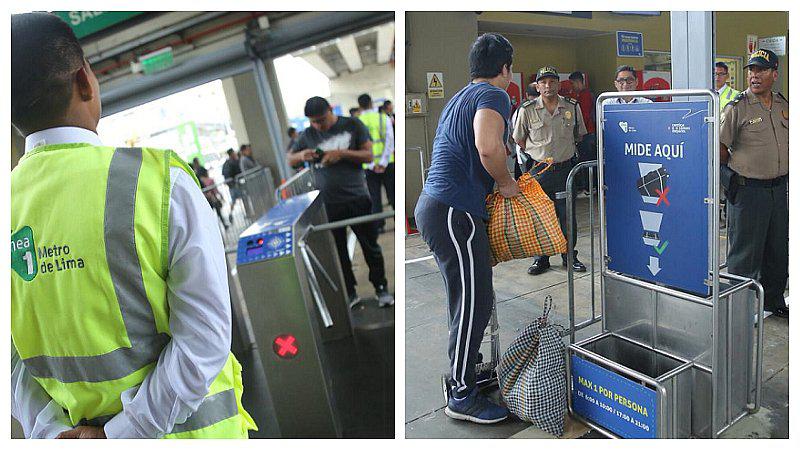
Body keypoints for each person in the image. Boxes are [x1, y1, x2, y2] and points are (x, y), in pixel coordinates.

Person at [10, 12, 256, 438]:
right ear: (84, 81)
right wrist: (119, 434)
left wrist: (49, 433)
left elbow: (12, 360)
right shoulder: (160, 182)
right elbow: (205, 338)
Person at [414, 33, 518, 425]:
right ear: (505, 68)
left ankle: (466, 371)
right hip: (454, 212)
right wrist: (506, 182)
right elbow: (488, 146)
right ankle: (462, 394)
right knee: (475, 302)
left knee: (467, 298)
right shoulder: (494, 95)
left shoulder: (459, 97)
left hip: (439, 207)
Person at [288, 96, 394, 308]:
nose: (318, 126)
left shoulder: (352, 124)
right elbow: (290, 158)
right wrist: (302, 155)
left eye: (321, 120)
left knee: (370, 246)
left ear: (330, 110)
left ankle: (381, 287)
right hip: (327, 204)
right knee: (338, 252)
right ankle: (350, 292)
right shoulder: (308, 135)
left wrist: (342, 154)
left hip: (356, 198)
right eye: (313, 122)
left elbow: (368, 155)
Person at [719, 49, 788, 318]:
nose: (754, 76)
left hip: (778, 190)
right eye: (752, 70)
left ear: (774, 74)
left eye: (761, 70)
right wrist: (731, 180)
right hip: (748, 192)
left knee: (777, 250)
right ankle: (740, 311)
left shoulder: (783, 104)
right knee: (745, 256)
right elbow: (720, 148)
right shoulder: (737, 107)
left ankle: (773, 301)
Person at [514, 66, 588, 275]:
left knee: (567, 215)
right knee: (540, 216)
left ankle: (569, 256)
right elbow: (519, 139)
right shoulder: (527, 109)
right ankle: (541, 259)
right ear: (537, 86)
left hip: (565, 171)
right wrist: (538, 154)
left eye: (552, 81)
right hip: (538, 172)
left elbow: (579, 135)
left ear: (558, 84)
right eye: (543, 82)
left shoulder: (572, 107)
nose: (548, 86)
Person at [357, 93, 395, 233]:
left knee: (375, 197)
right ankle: (399, 223)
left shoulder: (357, 122)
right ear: (371, 103)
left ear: (360, 106)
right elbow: (390, 141)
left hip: (369, 166)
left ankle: (379, 226)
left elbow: (357, 146)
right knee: (393, 194)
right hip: (388, 164)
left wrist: (372, 164)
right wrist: (383, 162)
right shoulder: (383, 118)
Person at [568, 71, 598, 192]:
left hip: (587, 134)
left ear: (578, 82)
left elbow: (584, 116)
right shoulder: (582, 95)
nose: (571, 86)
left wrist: (577, 133)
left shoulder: (585, 95)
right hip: (587, 134)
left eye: (572, 83)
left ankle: (590, 187)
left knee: (587, 161)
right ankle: (590, 187)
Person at [221, 148, 242, 221]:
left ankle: (230, 213)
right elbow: (238, 171)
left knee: (234, 200)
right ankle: (248, 212)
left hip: (230, 185)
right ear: (232, 153)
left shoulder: (226, 163)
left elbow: (223, 173)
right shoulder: (232, 162)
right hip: (235, 184)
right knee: (243, 197)